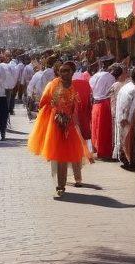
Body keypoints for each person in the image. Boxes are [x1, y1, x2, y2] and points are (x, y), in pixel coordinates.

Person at [26, 60, 89, 197]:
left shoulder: (74, 87)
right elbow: (43, 103)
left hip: (69, 126)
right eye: (62, 71)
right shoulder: (52, 85)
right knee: (57, 156)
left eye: (68, 70)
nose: (65, 73)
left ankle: (63, 184)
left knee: (65, 156)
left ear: (72, 72)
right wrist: (56, 112)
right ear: (58, 72)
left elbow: (76, 107)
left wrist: (72, 119)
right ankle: (59, 185)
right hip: (54, 125)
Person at [115, 66, 135, 169]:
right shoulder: (134, 89)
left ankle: (127, 160)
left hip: (123, 118)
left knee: (124, 141)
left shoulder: (127, 86)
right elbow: (127, 106)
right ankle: (130, 161)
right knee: (129, 142)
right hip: (128, 120)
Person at [90, 59, 117, 161]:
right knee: (104, 128)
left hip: (96, 103)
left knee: (96, 128)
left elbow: (91, 87)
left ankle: (97, 148)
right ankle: (105, 151)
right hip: (104, 102)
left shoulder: (95, 75)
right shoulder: (109, 77)